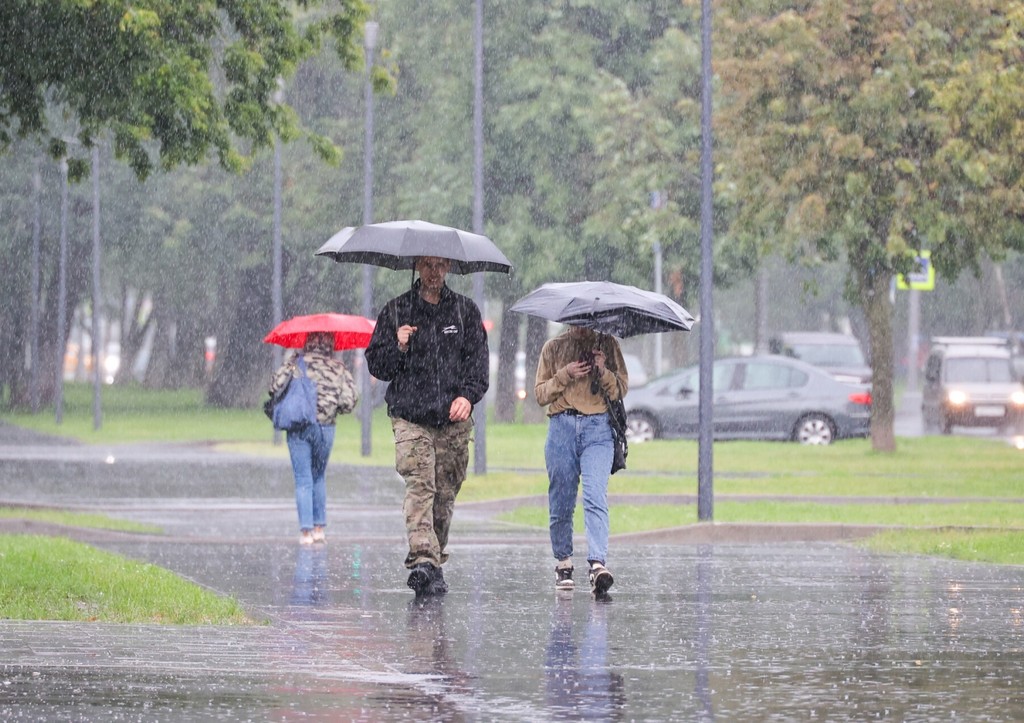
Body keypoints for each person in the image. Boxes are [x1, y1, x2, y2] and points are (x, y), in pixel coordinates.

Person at [365, 256, 489, 596]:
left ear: (448, 267)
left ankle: (433, 559)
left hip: (452, 421)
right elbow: (378, 365)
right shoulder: (396, 310)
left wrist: (467, 396)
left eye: (440, 265)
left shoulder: (465, 312)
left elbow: (478, 365)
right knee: (421, 486)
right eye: (427, 265)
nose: (434, 272)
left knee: (444, 494)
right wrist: (398, 345)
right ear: (417, 267)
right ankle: (422, 560)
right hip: (410, 417)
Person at [534, 325, 628, 595]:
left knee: (595, 494)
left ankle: (598, 564)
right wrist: (566, 374)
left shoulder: (608, 345)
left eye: (585, 322)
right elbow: (540, 394)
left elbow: (621, 389)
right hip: (561, 425)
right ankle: (563, 562)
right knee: (561, 497)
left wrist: (603, 370)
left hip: (598, 429)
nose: (580, 328)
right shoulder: (553, 347)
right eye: (575, 321)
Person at [269, 332, 357, 545]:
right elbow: (349, 401)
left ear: (307, 342)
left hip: (299, 426)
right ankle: (319, 528)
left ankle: (305, 532)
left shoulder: (296, 363)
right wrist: (330, 405)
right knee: (318, 476)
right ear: (330, 344)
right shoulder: (338, 368)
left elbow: (274, 387)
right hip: (326, 429)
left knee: (303, 479)